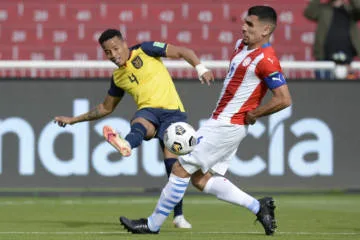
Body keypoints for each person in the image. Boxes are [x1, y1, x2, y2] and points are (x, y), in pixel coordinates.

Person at [119, 5, 292, 235]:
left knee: (180, 169)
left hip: (228, 125)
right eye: (244, 22)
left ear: (266, 30)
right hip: (220, 121)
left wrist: (254, 114)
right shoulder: (241, 46)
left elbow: (284, 99)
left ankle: (151, 225)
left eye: (250, 24)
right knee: (200, 179)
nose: (243, 27)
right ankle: (259, 207)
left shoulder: (267, 59)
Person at [53, 28, 215, 228]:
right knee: (139, 123)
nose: (113, 55)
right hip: (149, 113)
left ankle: (178, 216)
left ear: (124, 43)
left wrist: (201, 68)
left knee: (173, 168)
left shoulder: (145, 50)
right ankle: (126, 144)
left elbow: (182, 51)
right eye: (108, 52)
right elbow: (105, 107)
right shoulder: (118, 77)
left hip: (174, 115)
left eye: (115, 48)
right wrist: (73, 120)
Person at [304, 0, 360, 79]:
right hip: (324, 59)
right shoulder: (323, 10)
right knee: (323, 89)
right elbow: (309, 12)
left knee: (347, 89)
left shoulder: (350, 10)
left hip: (348, 60)